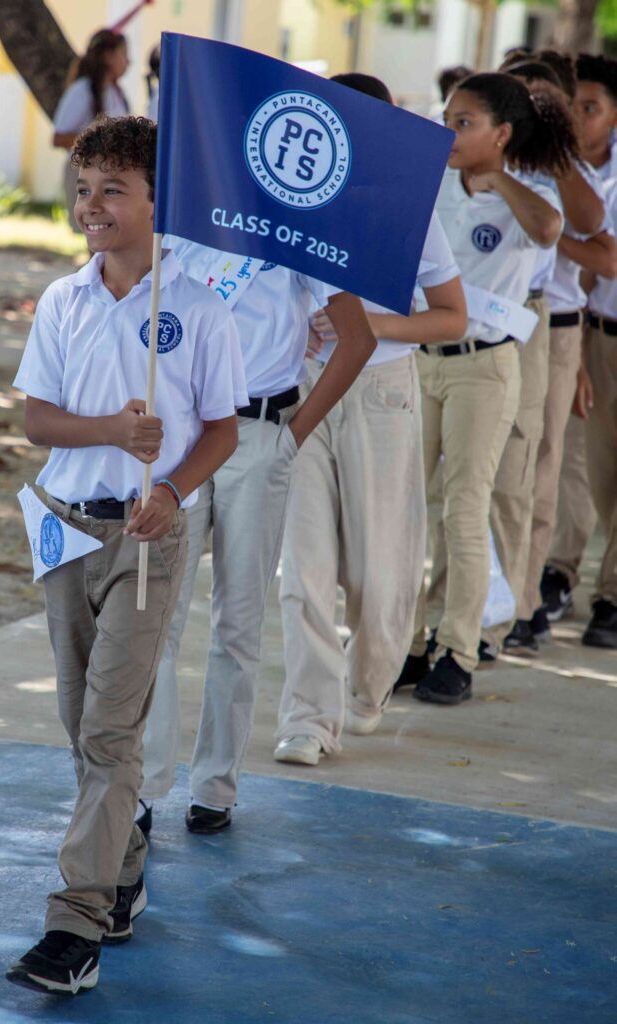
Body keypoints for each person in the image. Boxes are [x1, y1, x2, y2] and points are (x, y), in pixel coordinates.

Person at [5, 115, 247, 995]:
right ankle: (126, 858)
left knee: (111, 730)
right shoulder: (63, 301)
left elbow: (221, 429)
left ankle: (74, 928)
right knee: (82, 726)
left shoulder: (196, 305)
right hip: (66, 529)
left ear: (157, 201)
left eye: (114, 189)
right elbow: (37, 421)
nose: (91, 206)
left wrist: (172, 490)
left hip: (148, 538)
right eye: (82, 189)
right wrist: (113, 429)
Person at [139, 208, 377, 833]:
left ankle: (214, 786)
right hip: (182, 435)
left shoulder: (301, 220)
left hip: (262, 431)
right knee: (154, 613)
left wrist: (292, 436)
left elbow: (358, 338)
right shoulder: (180, 217)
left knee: (237, 619)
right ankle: (141, 786)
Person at [273, 73, 466, 766]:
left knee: (380, 575)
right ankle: (307, 719)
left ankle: (368, 687)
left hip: (380, 391)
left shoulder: (408, 211)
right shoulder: (286, 200)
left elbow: (452, 315)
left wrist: (369, 323)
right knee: (302, 572)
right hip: (297, 393)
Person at [402, 72, 568, 705]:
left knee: (464, 509)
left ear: (501, 134)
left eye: (463, 122)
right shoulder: (431, 185)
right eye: (445, 118)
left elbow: (551, 229)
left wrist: (496, 177)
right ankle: (412, 643)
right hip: (422, 360)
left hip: (485, 366)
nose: (448, 131)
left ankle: (459, 649)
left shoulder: (528, 196)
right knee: (411, 508)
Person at [507, 54, 617, 652]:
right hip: (498, 326)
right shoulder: (490, 155)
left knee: (545, 466)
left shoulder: (563, 165)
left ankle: (527, 602)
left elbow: (595, 231)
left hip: (556, 324)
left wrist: (547, 222)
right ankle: (494, 599)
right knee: (499, 473)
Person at [544, 52, 617, 620]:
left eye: (591, 108)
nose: (579, 117)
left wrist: (548, 239)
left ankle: (611, 595)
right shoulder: (554, 170)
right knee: (578, 460)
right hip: (589, 330)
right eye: (573, 106)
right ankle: (558, 571)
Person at [53, 29, 130, 231]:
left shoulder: (115, 92)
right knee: (97, 236)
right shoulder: (83, 90)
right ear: (107, 56)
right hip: (88, 174)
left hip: (113, 174)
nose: (128, 61)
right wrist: (99, 141)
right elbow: (58, 138)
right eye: (123, 54)